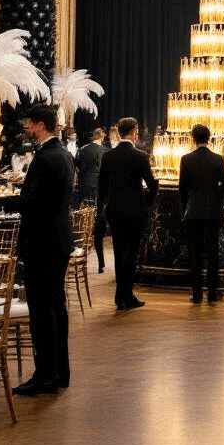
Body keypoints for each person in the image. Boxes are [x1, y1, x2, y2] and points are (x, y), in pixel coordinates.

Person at [13, 104, 75, 396]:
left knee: (41, 310)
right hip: (58, 239)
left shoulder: (46, 157)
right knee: (56, 307)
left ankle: (45, 376)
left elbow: (31, 201)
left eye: (28, 124)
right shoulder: (63, 154)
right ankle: (60, 372)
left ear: (40, 125)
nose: (26, 128)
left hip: (43, 241)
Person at [98, 116, 159, 310]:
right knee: (132, 254)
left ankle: (119, 296)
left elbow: (101, 188)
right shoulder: (140, 156)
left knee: (118, 253)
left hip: (115, 211)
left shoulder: (107, 156)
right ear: (134, 133)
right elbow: (151, 184)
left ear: (119, 132)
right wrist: (147, 203)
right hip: (135, 212)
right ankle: (128, 296)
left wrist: (106, 206)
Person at [178, 123, 224, 304]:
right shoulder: (217, 159)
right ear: (209, 138)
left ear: (193, 138)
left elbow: (182, 188)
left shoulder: (186, 159)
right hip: (212, 212)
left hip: (193, 212)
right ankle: (212, 293)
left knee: (195, 253)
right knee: (212, 253)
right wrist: (217, 196)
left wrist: (188, 205)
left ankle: (196, 294)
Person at [76, 126, 107, 272]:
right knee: (96, 211)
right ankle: (91, 232)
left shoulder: (82, 149)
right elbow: (101, 168)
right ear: (100, 136)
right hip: (96, 183)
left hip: (83, 182)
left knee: (83, 209)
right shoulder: (101, 151)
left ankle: (83, 232)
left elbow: (78, 166)